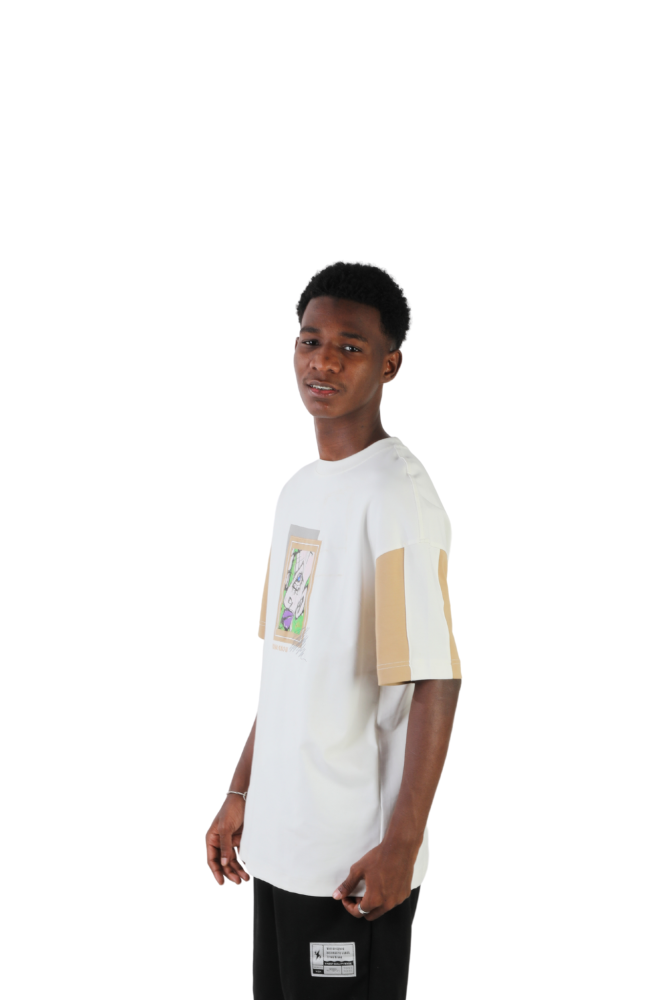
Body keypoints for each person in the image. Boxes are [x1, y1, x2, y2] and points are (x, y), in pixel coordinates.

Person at [206, 262, 462, 999]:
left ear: (390, 365)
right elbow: (290, 665)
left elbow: (435, 678)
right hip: (280, 849)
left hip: (351, 866)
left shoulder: (397, 497)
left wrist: (400, 846)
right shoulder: (299, 492)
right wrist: (242, 790)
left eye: (350, 347)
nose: (323, 362)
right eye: (310, 341)